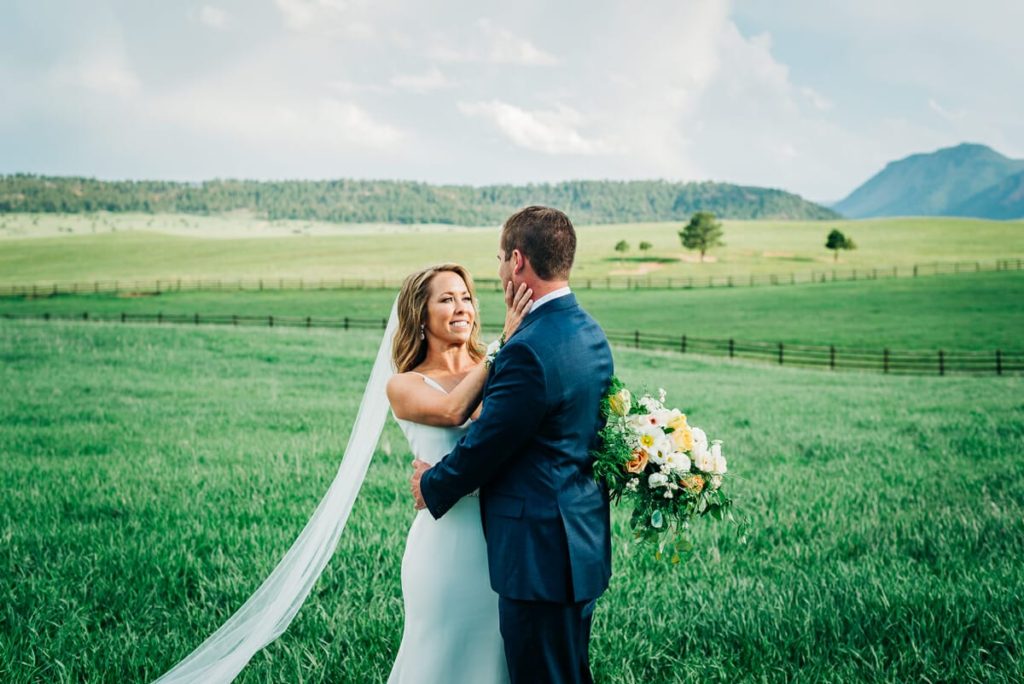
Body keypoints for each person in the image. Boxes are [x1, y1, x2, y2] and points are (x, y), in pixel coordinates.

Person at [410, 206, 614, 684]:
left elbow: (488, 443)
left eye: (501, 258)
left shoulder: (528, 348)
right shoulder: (589, 331)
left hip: (538, 558)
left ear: (518, 261)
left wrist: (433, 484)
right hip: (580, 545)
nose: (500, 270)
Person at [385, 264, 533, 684]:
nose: (461, 307)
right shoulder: (404, 384)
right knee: (438, 656)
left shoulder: (494, 364)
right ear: (420, 314)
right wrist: (502, 345)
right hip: (444, 544)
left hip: (501, 539)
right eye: (447, 299)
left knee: (493, 658)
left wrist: (498, 355)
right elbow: (454, 411)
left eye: (466, 297)